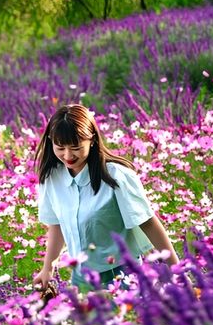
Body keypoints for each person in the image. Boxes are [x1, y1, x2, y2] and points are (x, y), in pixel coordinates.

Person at [33, 104, 179, 293]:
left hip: (121, 273)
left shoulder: (116, 176)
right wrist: (47, 268)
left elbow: (148, 223)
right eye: (60, 147)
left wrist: (177, 273)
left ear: (91, 139)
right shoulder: (52, 178)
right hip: (81, 277)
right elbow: (57, 225)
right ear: (51, 141)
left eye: (76, 147)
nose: (67, 155)